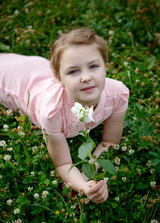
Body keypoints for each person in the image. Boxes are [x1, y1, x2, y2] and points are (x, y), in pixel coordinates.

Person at [0, 28, 129, 204]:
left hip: (38, 67)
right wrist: (82, 186)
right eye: (73, 71)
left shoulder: (118, 94)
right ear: (59, 78)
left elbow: (111, 142)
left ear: (105, 66)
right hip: (9, 78)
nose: (86, 77)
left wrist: (86, 178)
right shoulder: (52, 111)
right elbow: (62, 164)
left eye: (93, 66)